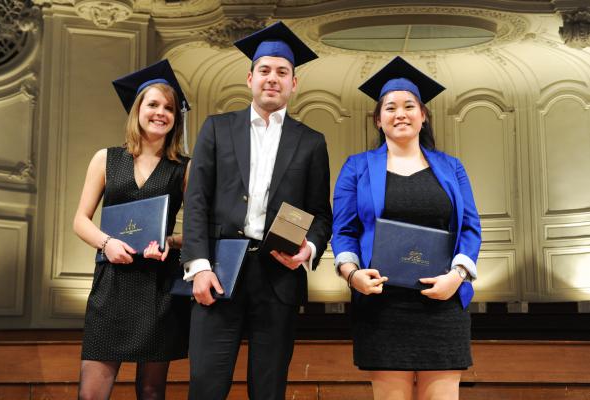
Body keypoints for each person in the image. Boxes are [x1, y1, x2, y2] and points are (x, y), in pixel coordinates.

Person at [180, 21, 332, 400]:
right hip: (219, 272)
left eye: (282, 72)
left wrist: (309, 249)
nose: (272, 78)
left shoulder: (312, 143)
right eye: (265, 70)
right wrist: (198, 266)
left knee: (269, 390)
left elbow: (320, 213)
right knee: (205, 387)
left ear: (294, 84)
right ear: (250, 77)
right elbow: (196, 200)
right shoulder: (216, 129)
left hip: (278, 277)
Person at [331, 56, 482, 400]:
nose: (400, 113)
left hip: (442, 302)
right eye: (390, 107)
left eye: (409, 106)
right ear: (378, 120)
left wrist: (457, 276)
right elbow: (343, 231)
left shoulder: (451, 167)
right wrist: (352, 274)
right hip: (383, 305)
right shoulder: (356, 168)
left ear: (423, 115)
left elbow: (471, 228)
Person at [73, 59, 191, 400]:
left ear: (175, 117)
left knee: (152, 393)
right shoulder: (106, 159)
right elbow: (80, 219)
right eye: (152, 104)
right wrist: (107, 243)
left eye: (169, 108)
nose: (160, 112)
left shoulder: (183, 168)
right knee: (91, 393)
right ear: (137, 110)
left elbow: (202, 229)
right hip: (111, 283)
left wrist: (171, 241)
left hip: (158, 286)